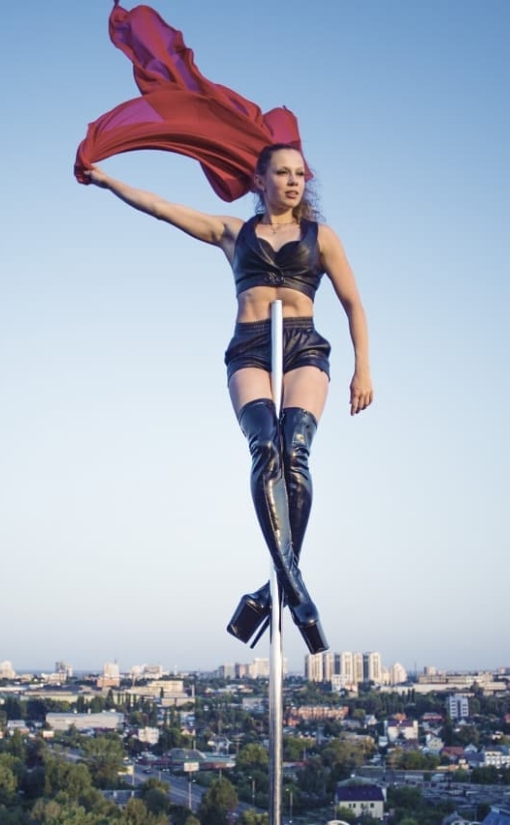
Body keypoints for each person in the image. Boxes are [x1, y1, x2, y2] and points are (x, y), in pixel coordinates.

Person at [84, 143, 373, 654]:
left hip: (303, 344)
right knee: (265, 445)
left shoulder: (321, 237)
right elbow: (160, 206)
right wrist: (108, 181)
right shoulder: (232, 233)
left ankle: (275, 589)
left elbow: (353, 303)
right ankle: (296, 590)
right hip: (250, 349)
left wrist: (362, 370)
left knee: (295, 451)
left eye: (299, 174)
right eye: (281, 173)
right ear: (259, 180)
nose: (292, 181)